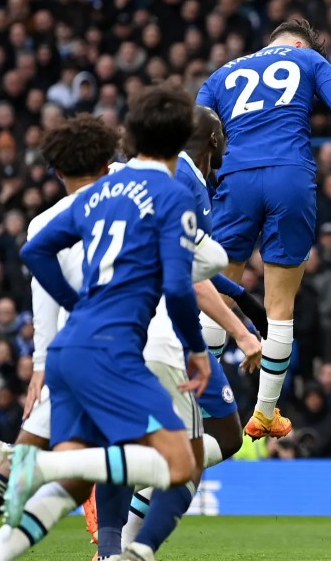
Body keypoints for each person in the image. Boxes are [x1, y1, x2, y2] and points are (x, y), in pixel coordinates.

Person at [0, 84, 212, 560]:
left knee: (78, 469)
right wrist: (197, 349)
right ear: (184, 137)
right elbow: (180, 287)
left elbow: (35, 250)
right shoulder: (172, 195)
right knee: (182, 463)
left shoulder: (99, 194)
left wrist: (73, 303)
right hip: (115, 350)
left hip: (70, 348)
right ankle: (32, 468)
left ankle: (25, 511)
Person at [92, 105, 265, 559]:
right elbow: (187, 274)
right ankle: (134, 543)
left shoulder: (123, 178)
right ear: (212, 140)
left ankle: (112, 544)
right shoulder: (183, 180)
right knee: (199, 448)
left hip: (105, 330)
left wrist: (243, 298)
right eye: (223, 134)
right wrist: (242, 330)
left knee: (160, 438)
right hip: (164, 332)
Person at [197, 18, 331, 439]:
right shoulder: (307, 60)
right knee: (279, 306)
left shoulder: (222, 73)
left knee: (217, 296)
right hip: (290, 177)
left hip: (236, 178)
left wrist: (210, 182)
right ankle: (265, 412)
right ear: (298, 44)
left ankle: (195, 403)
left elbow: (196, 128)